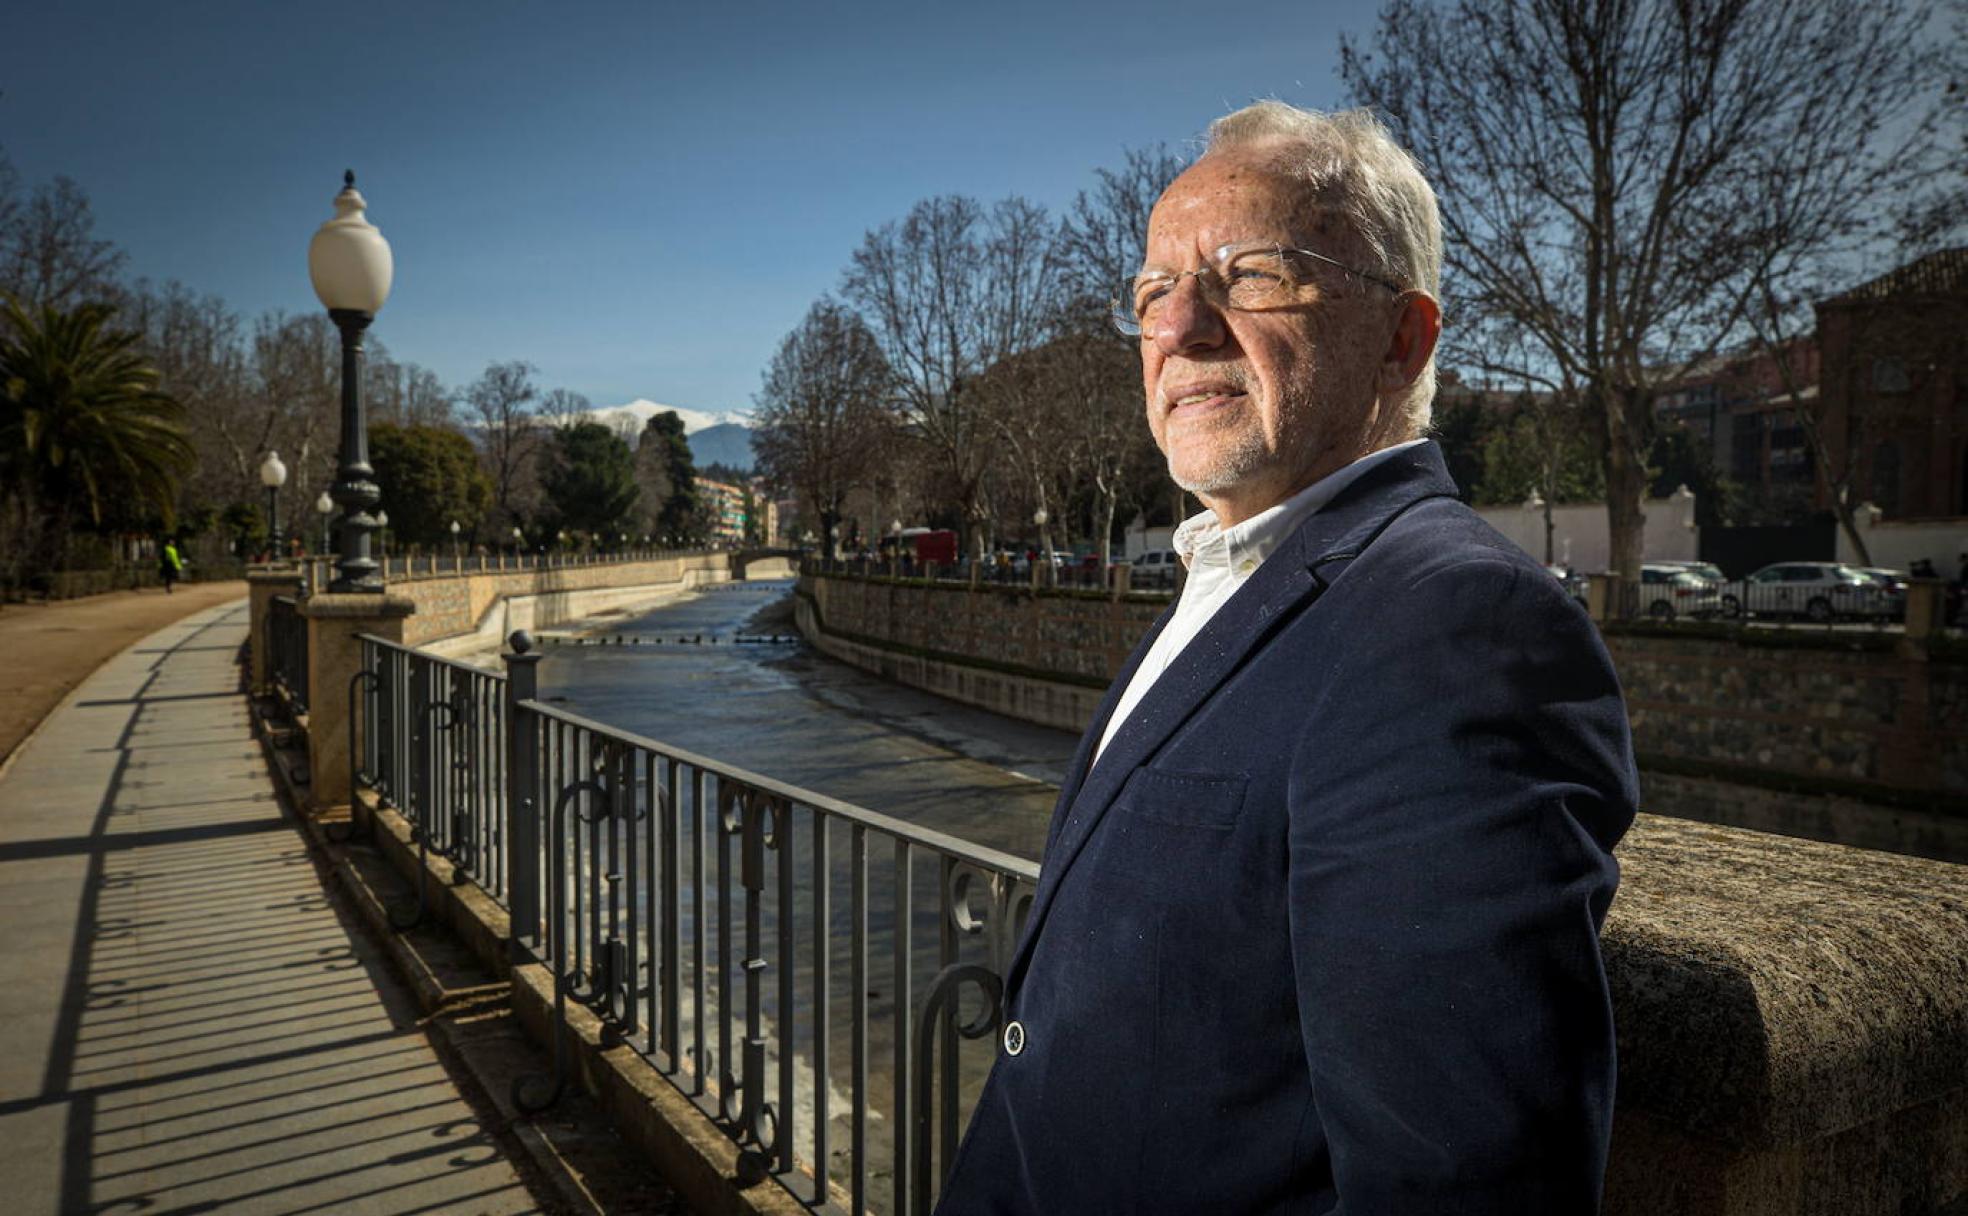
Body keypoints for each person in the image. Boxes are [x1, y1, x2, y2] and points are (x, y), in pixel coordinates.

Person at [935, 102, 1638, 1214]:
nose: (1181, 328)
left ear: (1404, 336)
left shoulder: (1457, 629)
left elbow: (1461, 1182)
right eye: (1154, 289)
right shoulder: (1231, 574)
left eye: (1250, 273)